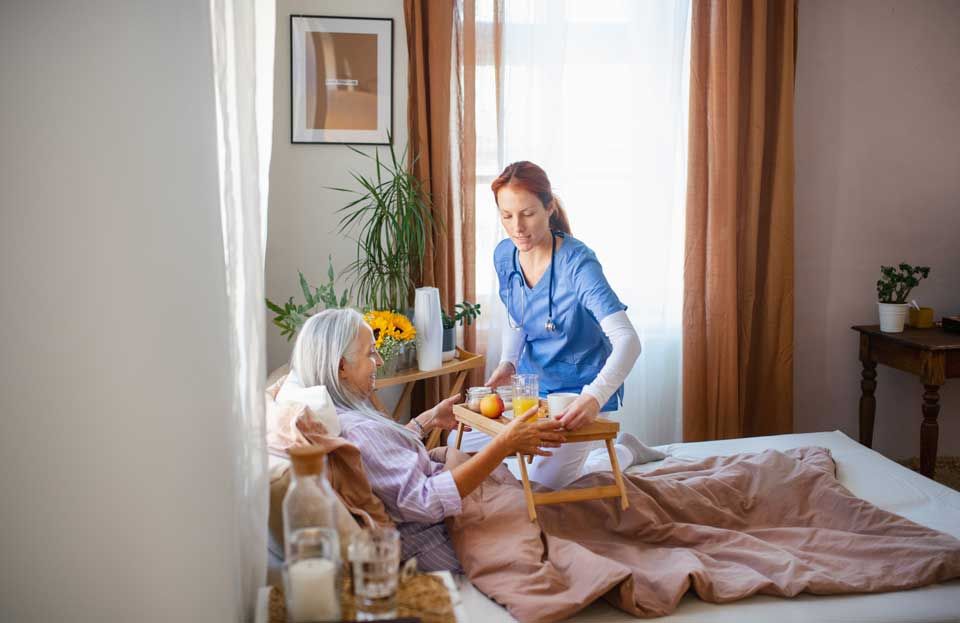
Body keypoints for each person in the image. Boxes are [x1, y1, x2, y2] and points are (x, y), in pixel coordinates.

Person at [288, 308, 567, 572]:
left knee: (564, 503)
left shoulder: (343, 415)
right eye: (371, 353)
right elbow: (426, 501)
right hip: (443, 536)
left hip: (443, 519)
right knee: (571, 521)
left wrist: (428, 419)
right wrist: (503, 443)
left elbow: (384, 459)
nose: (380, 361)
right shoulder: (357, 429)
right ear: (341, 367)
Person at [467, 160, 658, 489]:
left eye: (528, 213)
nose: (518, 228)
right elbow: (517, 315)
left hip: (577, 395)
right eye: (506, 216)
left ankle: (625, 450)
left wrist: (594, 397)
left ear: (549, 208)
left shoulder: (578, 264)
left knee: (543, 484)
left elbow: (629, 341)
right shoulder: (504, 254)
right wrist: (508, 362)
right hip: (534, 393)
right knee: (466, 451)